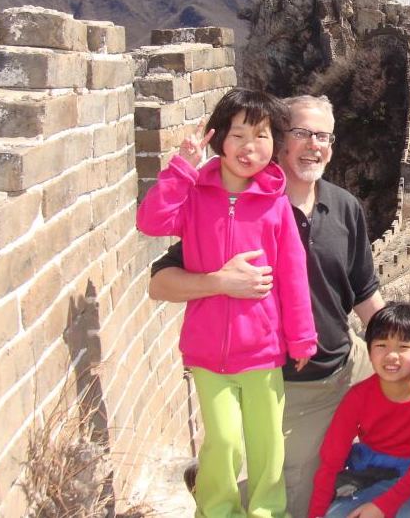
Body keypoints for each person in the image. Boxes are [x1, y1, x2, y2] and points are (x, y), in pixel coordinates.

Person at [149, 94, 385, 517]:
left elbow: (365, 293)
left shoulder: (345, 206)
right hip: (291, 383)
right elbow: (160, 283)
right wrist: (220, 282)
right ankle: (211, 485)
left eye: (324, 136)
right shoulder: (232, 208)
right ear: (279, 143)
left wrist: (404, 349)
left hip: (349, 360)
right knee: (287, 495)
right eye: (302, 133)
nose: (315, 145)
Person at [137, 88, 317, 517]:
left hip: (262, 351)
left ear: (275, 146)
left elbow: (292, 275)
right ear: (218, 138)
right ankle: (217, 510)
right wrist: (182, 167)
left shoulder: (275, 205)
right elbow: (151, 221)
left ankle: (266, 512)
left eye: (261, 136)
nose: (248, 147)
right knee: (224, 441)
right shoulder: (195, 195)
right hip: (207, 352)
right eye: (238, 135)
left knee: (267, 443)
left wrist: (303, 338)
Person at [309, 302, 410, 518]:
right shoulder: (359, 397)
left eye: (403, 347)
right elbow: (331, 461)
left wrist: (383, 507)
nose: (391, 356)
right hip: (372, 471)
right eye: (381, 345)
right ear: (369, 351)